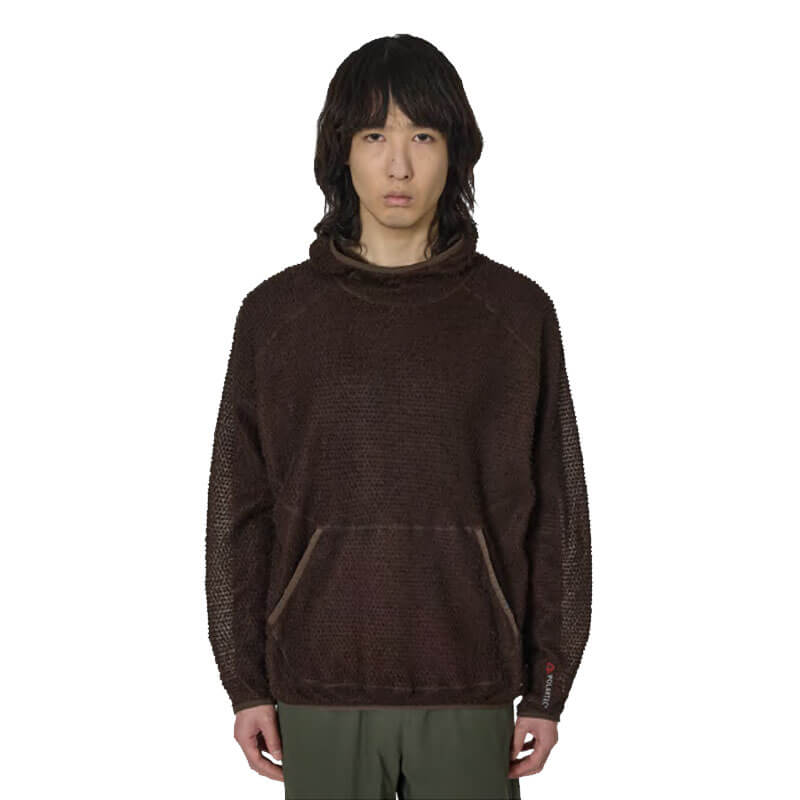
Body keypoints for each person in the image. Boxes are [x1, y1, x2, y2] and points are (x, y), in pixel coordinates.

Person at [205, 33, 592, 800]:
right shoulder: (275, 317)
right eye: (374, 136)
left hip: (470, 679)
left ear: (456, 151)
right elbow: (237, 512)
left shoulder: (516, 315)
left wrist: (548, 685)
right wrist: (245, 683)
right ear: (341, 152)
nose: (399, 166)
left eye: (423, 136)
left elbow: (559, 515)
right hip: (318, 684)